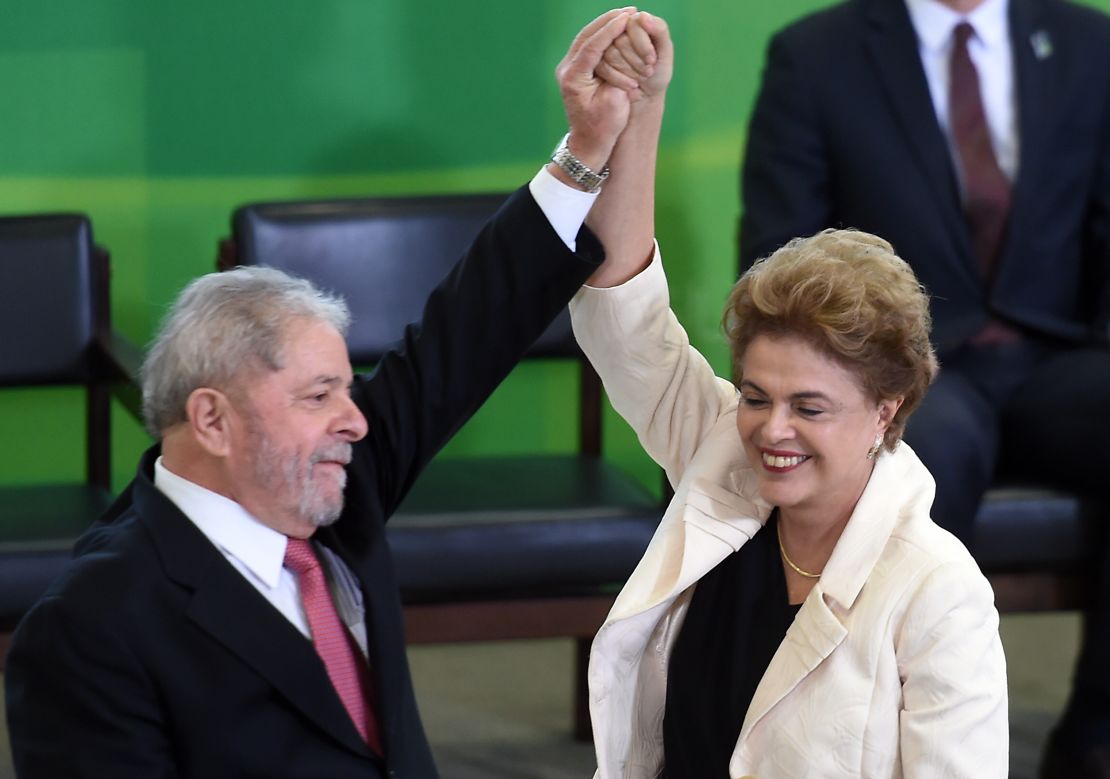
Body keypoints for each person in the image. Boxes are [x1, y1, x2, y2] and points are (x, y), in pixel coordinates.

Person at [2, 9, 653, 778]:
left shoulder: (331, 488)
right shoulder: (91, 626)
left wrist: (584, 150)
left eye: (348, 389)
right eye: (318, 396)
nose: (354, 419)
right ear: (211, 418)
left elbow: (465, 331)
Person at [572, 13, 1007, 776]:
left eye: (809, 407)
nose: (771, 430)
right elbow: (625, 316)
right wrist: (638, 110)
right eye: (754, 394)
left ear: (888, 409)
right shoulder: (719, 456)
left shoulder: (939, 590)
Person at [738, 0, 1110, 772]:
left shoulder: (1089, 42)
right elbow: (783, 254)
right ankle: (872, 730)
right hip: (905, 368)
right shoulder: (816, 55)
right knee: (908, 448)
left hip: (1060, 354)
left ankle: (1097, 730)